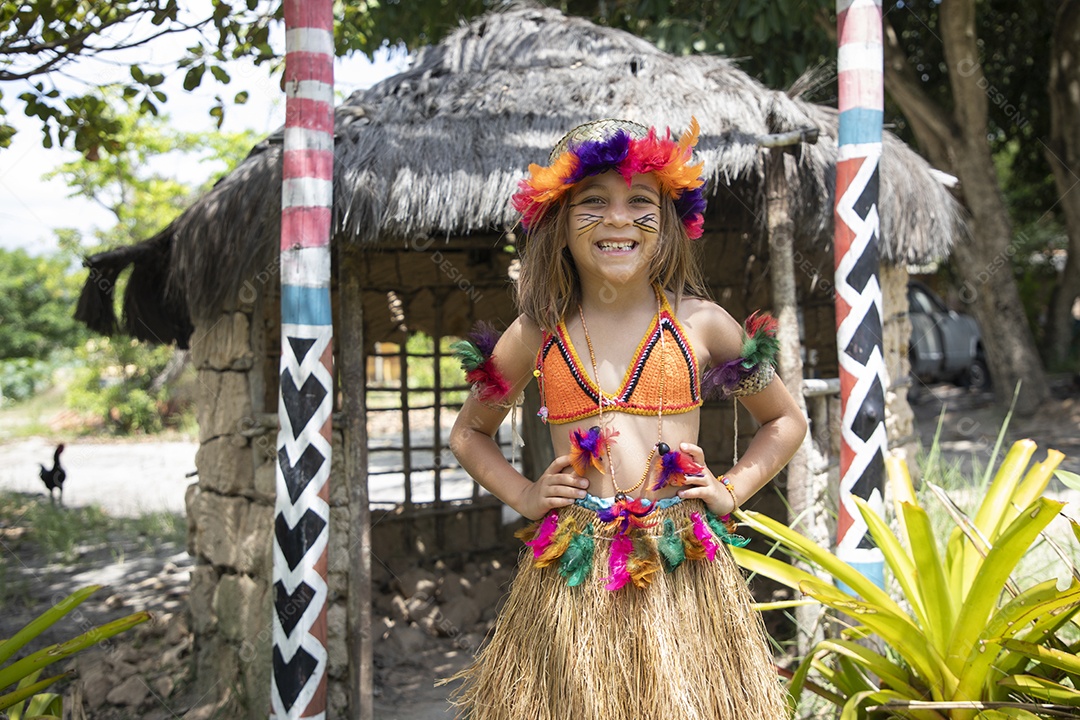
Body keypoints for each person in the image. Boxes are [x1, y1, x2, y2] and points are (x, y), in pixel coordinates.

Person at [446, 118, 807, 720]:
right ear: (558, 224)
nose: (618, 218)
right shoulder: (538, 331)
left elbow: (785, 421)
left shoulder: (702, 324)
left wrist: (731, 490)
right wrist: (528, 495)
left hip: (681, 569)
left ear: (669, 222)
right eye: (594, 202)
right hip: (572, 575)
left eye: (640, 201)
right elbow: (469, 433)